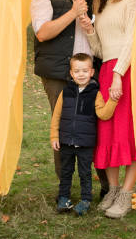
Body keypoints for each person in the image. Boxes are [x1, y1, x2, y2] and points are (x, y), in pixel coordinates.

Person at [30, 0, 109, 198]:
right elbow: (42, 33)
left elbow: (99, 30)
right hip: (58, 73)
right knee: (64, 127)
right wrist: (73, 13)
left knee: (94, 125)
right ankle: (65, 187)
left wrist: (89, 23)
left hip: (89, 71)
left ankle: (106, 184)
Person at [80, 0, 136, 219]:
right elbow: (102, 51)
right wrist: (90, 31)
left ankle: (126, 194)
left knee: (128, 132)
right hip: (106, 72)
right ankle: (113, 190)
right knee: (107, 133)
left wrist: (118, 74)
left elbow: (131, 39)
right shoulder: (101, 8)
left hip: (125, 72)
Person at [50, 53, 117, 215]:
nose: (81, 74)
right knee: (66, 172)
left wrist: (113, 100)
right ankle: (64, 199)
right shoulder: (65, 93)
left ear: (92, 72)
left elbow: (103, 114)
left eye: (85, 71)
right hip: (66, 141)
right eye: (77, 71)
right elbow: (56, 116)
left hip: (85, 143)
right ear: (72, 73)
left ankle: (85, 200)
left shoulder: (96, 93)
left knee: (85, 173)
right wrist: (54, 136)